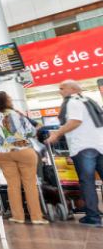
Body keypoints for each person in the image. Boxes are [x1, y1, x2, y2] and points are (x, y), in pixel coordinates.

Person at [0, 91, 47, 225]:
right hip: (23, 150)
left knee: (12, 185)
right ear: (3, 101)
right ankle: (36, 217)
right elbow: (31, 132)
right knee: (30, 183)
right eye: (8, 98)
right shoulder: (16, 113)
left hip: (2, 153)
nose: (11, 99)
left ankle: (18, 216)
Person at [47, 80, 103, 227]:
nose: (60, 91)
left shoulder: (72, 101)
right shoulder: (90, 101)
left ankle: (93, 217)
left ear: (72, 89)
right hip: (100, 145)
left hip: (84, 147)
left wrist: (56, 134)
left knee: (87, 183)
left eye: (62, 88)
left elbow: (75, 122)